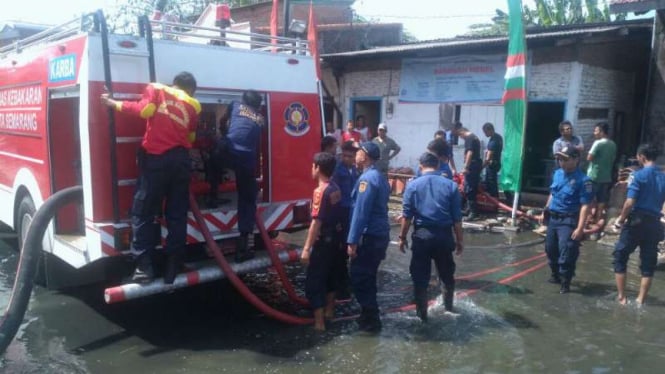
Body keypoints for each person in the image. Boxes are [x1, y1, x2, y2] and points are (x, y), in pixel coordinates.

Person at [100, 72, 201, 284]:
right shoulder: (194, 105)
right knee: (176, 214)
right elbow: (191, 137)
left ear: (174, 84)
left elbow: (144, 110)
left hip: (156, 159)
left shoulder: (157, 89)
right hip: (181, 161)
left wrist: (113, 103)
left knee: (143, 212)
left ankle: (144, 269)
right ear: (190, 89)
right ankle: (173, 266)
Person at [398, 152, 464, 322]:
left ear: (421, 165)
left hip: (422, 235)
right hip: (444, 235)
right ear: (439, 165)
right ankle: (449, 308)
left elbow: (407, 216)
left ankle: (422, 316)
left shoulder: (412, 186)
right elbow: (457, 219)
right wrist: (460, 241)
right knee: (446, 275)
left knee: (420, 277)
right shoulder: (451, 186)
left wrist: (402, 237)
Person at [612, 143, 665, 305]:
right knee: (648, 262)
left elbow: (629, 203)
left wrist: (619, 221)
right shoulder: (663, 177)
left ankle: (622, 297)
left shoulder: (638, 175)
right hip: (655, 223)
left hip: (637, 221)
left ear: (641, 157)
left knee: (620, 256)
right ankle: (640, 300)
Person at [347, 142, 391, 333]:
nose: (355, 154)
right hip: (380, 235)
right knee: (369, 276)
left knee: (359, 277)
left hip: (370, 236)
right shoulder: (379, 176)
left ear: (365, 156)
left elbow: (360, 213)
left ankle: (371, 318)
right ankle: (367, 315)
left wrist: (352, 240)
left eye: (358, 151)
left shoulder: (367, 179)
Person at [540, 146, 593, 294]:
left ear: (576, 159)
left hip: (569, 221)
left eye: (565, 158)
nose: (561, 161)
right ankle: (555, 275)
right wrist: (545, 209)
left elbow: (585, 206)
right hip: (554, 219)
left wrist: (580, 228)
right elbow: (553, 193)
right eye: (559, 158)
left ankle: (565, 282)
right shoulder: (557, 174)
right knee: (550, 249)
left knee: (567, 252)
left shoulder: (584, 180)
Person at [300, 152, 343, 331]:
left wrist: (306, 248)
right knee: (331, 275)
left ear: (318, 168)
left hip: (323, 241)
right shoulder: (335, 188)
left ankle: (319, 324)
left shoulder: (320, 191)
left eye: (312, 165)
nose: (311, 169)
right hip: (336, 239)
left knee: (314, 281)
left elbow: (316, 223)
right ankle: (330, 311)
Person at [226, 90, 265, 263]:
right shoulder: (261, 120)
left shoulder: (235, 106)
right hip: (245, 161)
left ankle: (212, 195)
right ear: (258, 105)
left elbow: (225, 122)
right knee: (248, 200)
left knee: (211, 162)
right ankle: (242, 248)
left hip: (225, 151)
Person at [331, 141, 360, 300]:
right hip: (341, 212)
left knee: (353, 245)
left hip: (352, 211)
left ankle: (350, 281)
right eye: (346, 155)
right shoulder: (337, 170)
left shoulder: (354, 170)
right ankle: (341, 285)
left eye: (351, 156)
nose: (348, 158)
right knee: (341, 249)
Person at [586, 122, 617, 232]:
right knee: (601, 200)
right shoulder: (613, 144)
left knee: (589, 197)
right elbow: (613, 159)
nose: (594, 133)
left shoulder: (597, 143)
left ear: (602, 132)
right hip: (606, 176)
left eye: (596, 131)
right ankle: (597, 219)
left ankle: (588, 219)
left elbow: (589, 157)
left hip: (593, 176)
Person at [453, 122, 482, 221]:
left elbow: (470, 153)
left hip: (472, 166)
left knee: (470, 188)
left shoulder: (469, 138)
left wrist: (465, 167)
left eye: (460, 136)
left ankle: (473, 213)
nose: (461, 138)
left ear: (461, 132)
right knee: (469, 187)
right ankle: (469, 210)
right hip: (475, 164)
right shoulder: (474, 137)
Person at [482, 122, 503, 198]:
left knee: (491, 184)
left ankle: (493, 202)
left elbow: (488, 157)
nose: (485, 134)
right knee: (492, 183)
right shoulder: (498, 137)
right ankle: (494, 201)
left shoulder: (494, 140)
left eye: (485, 132)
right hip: (497, 163)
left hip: (492, 165)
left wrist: (481, 167)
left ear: (489, 130)